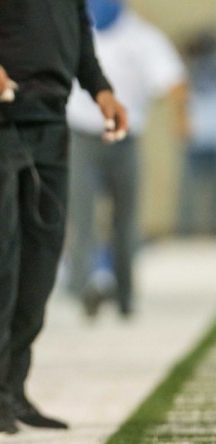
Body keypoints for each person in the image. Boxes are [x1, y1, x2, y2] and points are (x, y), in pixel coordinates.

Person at [0, 0, 128, 434]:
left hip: (50, 121)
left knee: (41, 263)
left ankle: (12, 387)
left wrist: (101, 88)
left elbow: (76, 28)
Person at [65, 0, 187, 319]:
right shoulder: (75, 31)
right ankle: (84, 288)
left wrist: (181, 117)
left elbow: (173, 80)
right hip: (82, 136)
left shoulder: (143, 37)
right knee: (82, 215)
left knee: (125, 220)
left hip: (124, 140)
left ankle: (125, 293)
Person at [177, 30, 216, 236]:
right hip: (197, 136)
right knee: (188, 192)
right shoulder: (188, 70)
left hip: (203, 135)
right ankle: (185, 232)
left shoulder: (189, 70)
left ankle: (187, 232)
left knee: (191, 192)